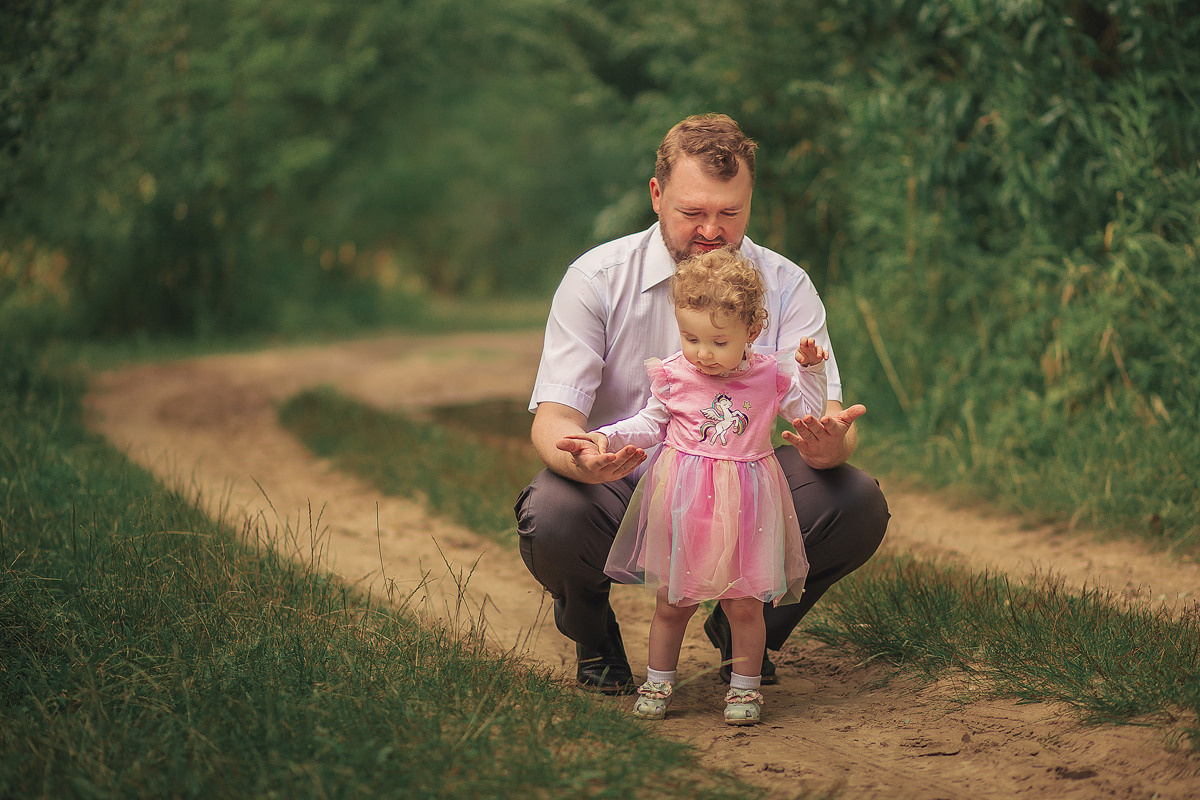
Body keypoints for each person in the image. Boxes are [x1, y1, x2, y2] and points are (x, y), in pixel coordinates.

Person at [515, 112, 889, 697]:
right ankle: (596, 640)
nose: (712, 230)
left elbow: (823, 414)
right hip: (625, 477)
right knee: (554, 515)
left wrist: (829, 445)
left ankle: (745, 631)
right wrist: (583, 458)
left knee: (856, 500)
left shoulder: (787, 285)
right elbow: (554, 418)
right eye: (693, 212)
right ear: (656, 195)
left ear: (750, 201)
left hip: (744, 480)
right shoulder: (596, 279)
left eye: (730, 213)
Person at [559, 248, 830, 725]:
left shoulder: (769, 376)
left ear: (751, 331)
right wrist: (606, 436)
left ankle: (744, 689)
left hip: (747, 504)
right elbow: (649, 422)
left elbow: (806, 412)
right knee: (672, 603)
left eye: (718, 342)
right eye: (691, 338)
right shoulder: (675, 375)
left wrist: (811, 371)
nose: (703, 353)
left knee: (744, 605)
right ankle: (658, 681)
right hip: (685, 502)